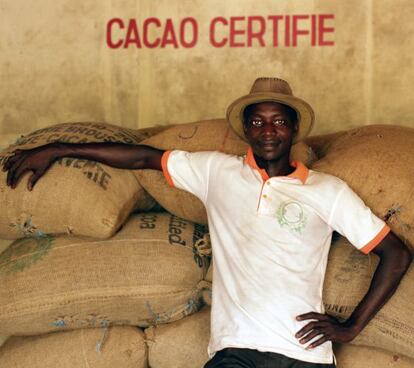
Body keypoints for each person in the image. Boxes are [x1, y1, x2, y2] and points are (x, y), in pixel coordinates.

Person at [2, 77, 412, 368]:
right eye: (258, 121)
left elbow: (393, 253)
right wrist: (55, 148)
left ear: (294, 128)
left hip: (305, 357)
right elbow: (144, 156)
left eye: (279, 121)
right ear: (246, 130)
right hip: (236, 351)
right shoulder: (217, 171)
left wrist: (351, 327)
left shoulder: (326, 190)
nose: (268, 130)